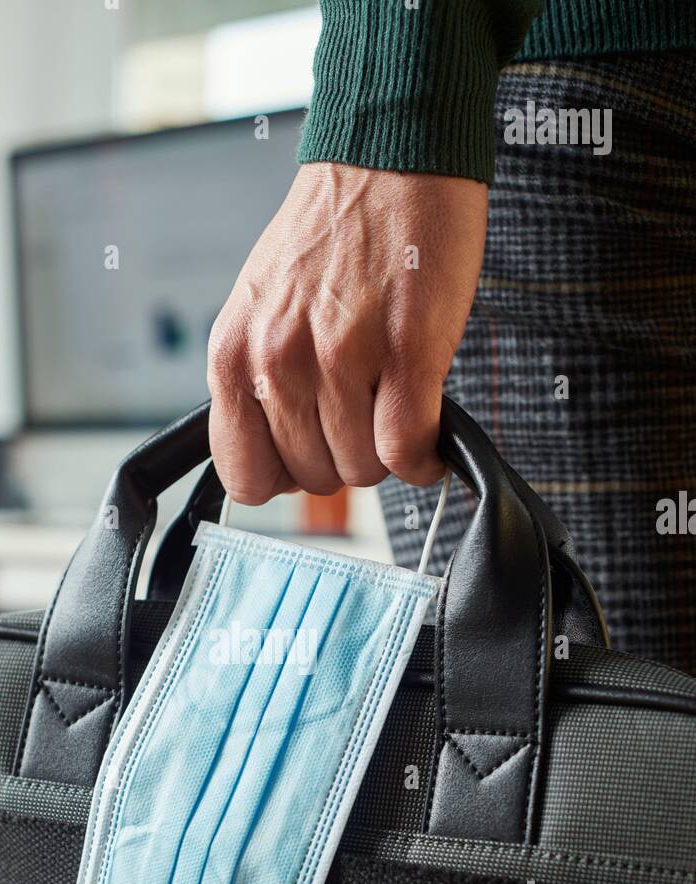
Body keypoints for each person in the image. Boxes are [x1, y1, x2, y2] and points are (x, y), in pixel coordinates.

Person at [207, 0, 696, 675]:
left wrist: (381, 116)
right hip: (613, 91)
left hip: (601, 98)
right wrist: (388, 108)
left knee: (603, 750)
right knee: (617, 742)